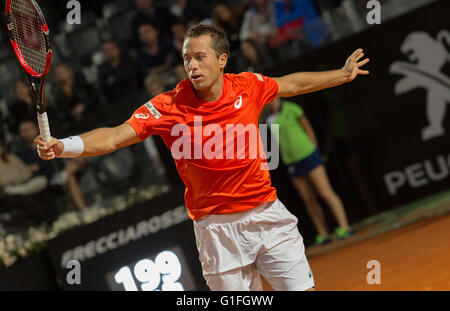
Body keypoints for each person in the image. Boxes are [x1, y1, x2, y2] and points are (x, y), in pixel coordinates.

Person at [35, 24, 370, 291]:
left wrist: (341, 74)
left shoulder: (248, 86)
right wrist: (63, 145)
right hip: (216, 231)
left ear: (222, 60)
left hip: (268, 216)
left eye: (199, 57)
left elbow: (291, 84)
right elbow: (112, 137)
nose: (191, 66)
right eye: (186, 59)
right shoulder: (167, 106)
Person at [267, 98, 352, 245]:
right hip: (291, 161)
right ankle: (323, 234)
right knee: (308, 200)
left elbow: (308, 129)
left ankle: (345, 227)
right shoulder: (268, 118)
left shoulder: (291, 108)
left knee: (325, 192)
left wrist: (314, 151)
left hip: (308, 154)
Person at [16, 119, 87, 211]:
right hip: (49, 180)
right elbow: (29, 169)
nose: (28, 133)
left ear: (37, 129)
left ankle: (64, 175)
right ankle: (83, 210)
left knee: (80, 157)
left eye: (30, 129)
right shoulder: (22, 153)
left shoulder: (50, 141)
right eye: (24, 131)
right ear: (21, 134)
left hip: (63, 170)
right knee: (69, 178)